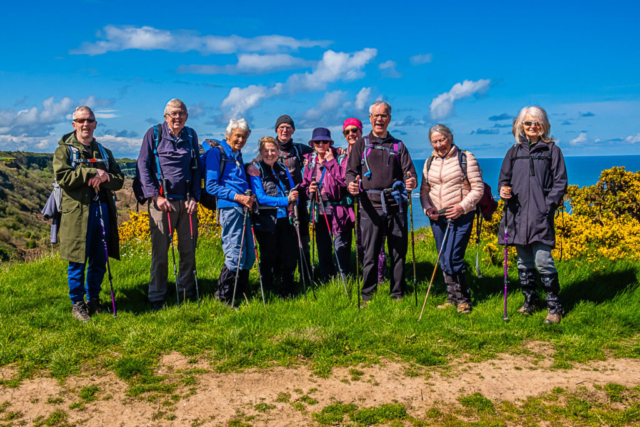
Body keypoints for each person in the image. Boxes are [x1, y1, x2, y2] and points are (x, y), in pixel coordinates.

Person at [53, 106, 124, 322]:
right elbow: (63, 177)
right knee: (77, 259)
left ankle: (94, 299)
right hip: (76, 214)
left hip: (101, 210)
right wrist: (93, 172)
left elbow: (119, 179)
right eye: (81, 120)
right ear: (73, 124)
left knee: (99, 258)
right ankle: (78, 303)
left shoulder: (103, 151)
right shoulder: (64, 151)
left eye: (89, 120)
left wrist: (105, 178)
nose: (86, 124)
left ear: (95, 124)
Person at [498, 106, 568, 324]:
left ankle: (554, 307)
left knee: (543, 260)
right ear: (521, 126)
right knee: (523, 261)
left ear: (544, 125)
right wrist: (503, 190)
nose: (532, 127)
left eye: (536, 123)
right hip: (516, 214)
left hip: (540, 215)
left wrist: (547, 206)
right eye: (527, 123)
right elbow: (503, 180)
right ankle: (530, 302)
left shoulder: (552, 151)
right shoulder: (513, 151)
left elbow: (560, 183)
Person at [346, 101, 417, 305]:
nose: (379, 119)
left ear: (389, 119)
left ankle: (398, 293)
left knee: (398, 252)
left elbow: (409, 173)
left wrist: (411, 181)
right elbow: (351, 171)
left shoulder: (398, 145)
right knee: (370, 253)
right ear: (370, 118)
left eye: (383, 116)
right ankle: (367, 294)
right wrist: (351, 184)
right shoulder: (361, 144)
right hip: (370, 206)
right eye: (376, 116)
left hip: (396, 205)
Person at [136, 99, 200, 310]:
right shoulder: (153, 134)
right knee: (160, 253)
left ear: (187, 117)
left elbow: (196, 168)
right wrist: (155, 196)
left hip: (187, 202)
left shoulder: (191, 135)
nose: (177, 117)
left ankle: (186, 292)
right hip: (162, 203)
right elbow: (143, 167)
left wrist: (195, 198)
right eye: (173, 113)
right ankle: (157, 296)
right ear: (165, 116)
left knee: (188, 251)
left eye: (181, 113)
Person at [419, 124, 483, 313]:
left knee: (454, 257)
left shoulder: (466, 158)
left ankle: (464, 299)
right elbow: (424, 190)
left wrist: (462, 207)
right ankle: (451, 298)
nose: (439, 145)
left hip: (461, 215)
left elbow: (478, 189)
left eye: (442, 140)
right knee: (443, 257)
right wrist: (427, 208)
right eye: (434, 141)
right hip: (437, 216)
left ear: (451, 137)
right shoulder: (429, 162)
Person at [248, 115, 313, 275]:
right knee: (276, 248)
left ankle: (305, 275)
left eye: (288, 127)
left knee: (301, 241)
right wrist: (246, 166)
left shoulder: (299, 149)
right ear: (276, 129)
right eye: (281, 127)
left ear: (293, 130)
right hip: (277, 209)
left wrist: (337, 151)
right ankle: (277, 279)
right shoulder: (265, 154)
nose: (285, 130)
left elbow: (319, 152)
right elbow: (255, 166)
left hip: (297, 203)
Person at [205, 119, 255, 305]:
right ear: (228, 136)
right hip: (230, 206)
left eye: (244, 137)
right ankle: (225, 297)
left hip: (242, 206)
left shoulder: (237, 155)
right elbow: (211, 186)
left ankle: (239, 292)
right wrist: (237, 197)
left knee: (248, 252)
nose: (240, 140)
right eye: (237, 136)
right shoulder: (216, 153)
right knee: (234, 251)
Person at [249, 137, 300, 296]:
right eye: (266, 150)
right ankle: (267, 289)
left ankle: (287, 288)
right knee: (268, 256)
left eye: (273, 150)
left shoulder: (283, 169)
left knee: (289, 254)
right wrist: (286, 200)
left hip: (285, 219)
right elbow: (260, 197)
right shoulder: (256, 170)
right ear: (260, 152)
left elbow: (293, 190)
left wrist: (294, 198)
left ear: (278, 152)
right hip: (266, 220)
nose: (270, 153)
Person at [302, 127, 352, 281]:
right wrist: (308, 190)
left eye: (325, 141)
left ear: (330, 143)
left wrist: (330, 162)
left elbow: (345, 181)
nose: (321, 144)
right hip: (319, 211)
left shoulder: (341, 159)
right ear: (312, 143)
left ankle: (344, 279)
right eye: (317, 141)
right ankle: (326, 279)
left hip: (339, 211)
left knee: (341, 247)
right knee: (323, 247)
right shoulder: (310, 161)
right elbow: (303, 186)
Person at [343, 118, 388, 284]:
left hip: (372, 203)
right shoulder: (341, 154)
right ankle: (367, 275)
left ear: (361, 131)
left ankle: (380, 278)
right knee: (361, 243)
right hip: (350, 206)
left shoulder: (372, 149)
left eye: (354, 130)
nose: (351, 134)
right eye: (347, 132)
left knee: (377, 243)